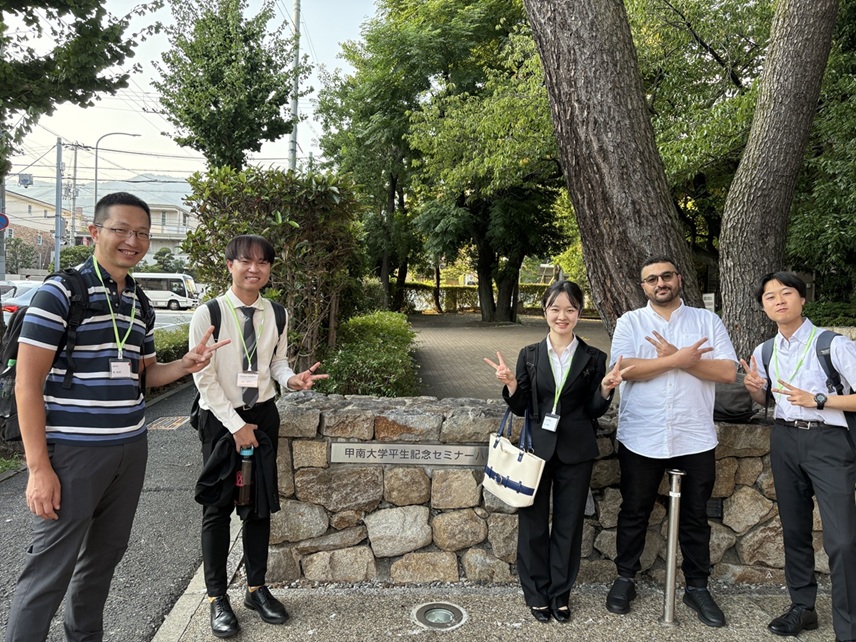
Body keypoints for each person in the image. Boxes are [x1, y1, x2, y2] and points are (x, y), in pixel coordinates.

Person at [5, 192, 227, 642]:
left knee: (104, 557)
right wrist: (38, 469)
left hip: (130, 448)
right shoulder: (60, 293)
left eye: (142, 233)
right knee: (49, 569)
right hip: (73, 452)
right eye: (121, 229)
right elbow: (26, 385)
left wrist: (186, 365)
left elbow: (146, 376)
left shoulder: (139, 303)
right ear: (94, 232)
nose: (133, 240)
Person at [189, 234, 327, 639]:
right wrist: (236, 426)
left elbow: (276, 363)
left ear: (269, 268)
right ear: (230, 265)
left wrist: (292, 379)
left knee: (258, 507)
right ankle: (217, 597)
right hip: (221, 420)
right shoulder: (209, 313)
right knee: (217, 508)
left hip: (263, 417)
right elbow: (203, 379)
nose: (254, 269)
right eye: (246, 261)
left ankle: (256, 589)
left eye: (263, 262)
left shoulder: (277, 313)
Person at [484, 280, 629, 623]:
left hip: (576, 450)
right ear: (545, 311)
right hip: (536, 450)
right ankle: (536, 593)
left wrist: (605, 388)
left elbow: (593, 409)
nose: (562, 316)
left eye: (570, 309)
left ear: (579, 313)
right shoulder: (530, 355)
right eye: (555, 309)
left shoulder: (594, 357)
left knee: (569, 525)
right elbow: (522, 407)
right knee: (532, 524)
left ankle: (560, 595)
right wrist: (511, 384)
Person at [605, 256, 737, 627]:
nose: (660, 283)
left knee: (696, 516)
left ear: (678, 279)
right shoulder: (631, 321)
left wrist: (678, 360)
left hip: (694, 436)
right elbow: (623, 369)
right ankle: (625, 579)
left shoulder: (706, 321)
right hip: (641, 435)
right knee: (634, 510)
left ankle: (697, 587)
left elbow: (727, 372)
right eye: (652, 279)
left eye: (666, 276)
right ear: (643, 286)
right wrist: (678, 358)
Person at [741, 272, 856, 642]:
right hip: (785, 439)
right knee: (794, 530)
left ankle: (848, 627)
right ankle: (803, 608)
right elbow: (768, 400)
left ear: (802, 299)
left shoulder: (832, 344)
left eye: (786, 293)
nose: (779, 300)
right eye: (770, 296)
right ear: (763, 307)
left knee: (842, 539)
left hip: (828, 442)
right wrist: (755, 390)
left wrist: (819, 400)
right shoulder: (765, 350)